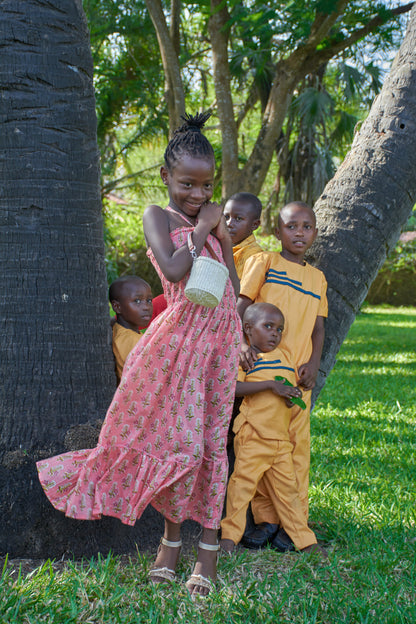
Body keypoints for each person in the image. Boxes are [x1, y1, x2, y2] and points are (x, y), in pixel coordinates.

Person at [36, 112, 241, 598]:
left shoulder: (210, 225)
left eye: (207, 185)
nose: (198, 194)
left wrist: (223, 238)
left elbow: (230, 287)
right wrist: (201, 229)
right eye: (187, 183)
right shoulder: (160, 216)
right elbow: (173, 272)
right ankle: (170, 544)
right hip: (179, 345)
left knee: (213, 444)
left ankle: (207, 551)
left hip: (221, 341)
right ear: (166, 177)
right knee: (179, 447)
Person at [237, 201, 328, 550]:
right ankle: (266, 520)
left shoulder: (317, 278)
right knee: (260, 443)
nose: (299, 233)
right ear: (278, 232)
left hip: (299, 378)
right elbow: (240, 307)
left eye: (307, 227)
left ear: (315, 233)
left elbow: (318, 328)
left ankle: (295, 524)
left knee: (295, 450)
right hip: (263, 373)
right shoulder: (266, 262)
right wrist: (238, 344)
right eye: (292, 226)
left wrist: (314, 364)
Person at [220, 303, 322, 554]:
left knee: (288, 493)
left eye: (279, 329)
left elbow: (285, 389)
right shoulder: (247, 358)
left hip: (280, 440)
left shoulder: (285, 358)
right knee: (241, 487)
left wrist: (290, 395)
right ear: (248, 330)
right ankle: (229, 537)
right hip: (253, 435)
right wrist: (269, 386)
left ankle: (305, 541)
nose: (275, 333)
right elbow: (233, 389)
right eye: (268, 327)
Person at [109, 276, 153, 383]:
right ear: (117, 307)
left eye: (149, 300)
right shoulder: (132, 340)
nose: (146, 307)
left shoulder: (118, 330)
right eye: (137, 301)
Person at [223, 192, 263, 279]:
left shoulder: (254, 256)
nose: (229, 223)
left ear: (255, 225)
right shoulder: (217, 245)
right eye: (226, 217)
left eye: (238, 219)